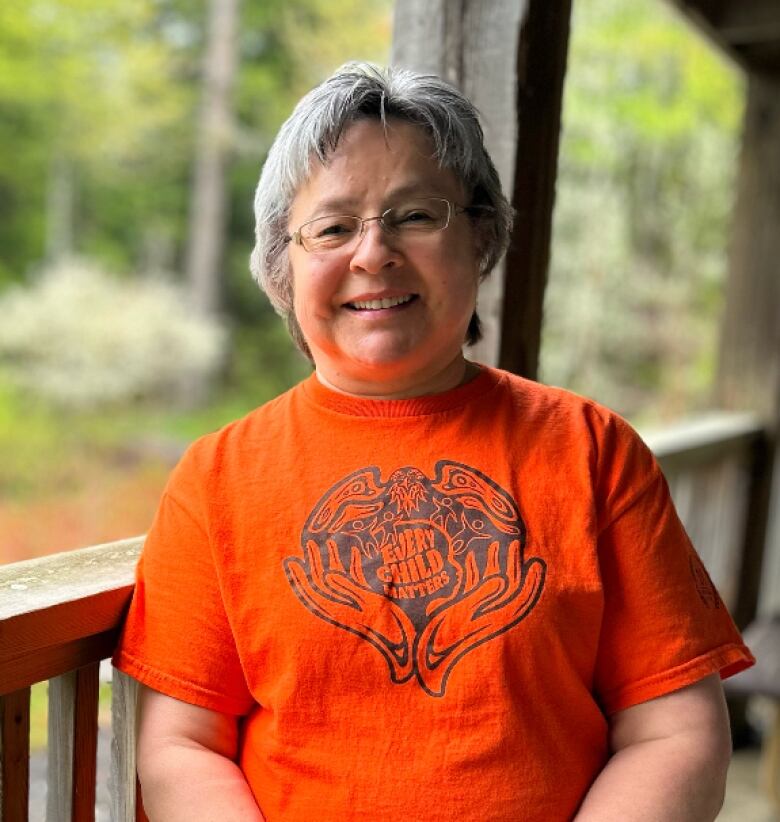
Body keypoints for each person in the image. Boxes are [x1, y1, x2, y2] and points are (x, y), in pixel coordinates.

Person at [113, 63, 754, 821]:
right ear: (282, 267)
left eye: (415, 214)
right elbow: (181, 744)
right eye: (333, 226)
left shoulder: (593, 450)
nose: (373, 253)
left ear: (481, 234)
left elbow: (673, 731)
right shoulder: (218, 478)